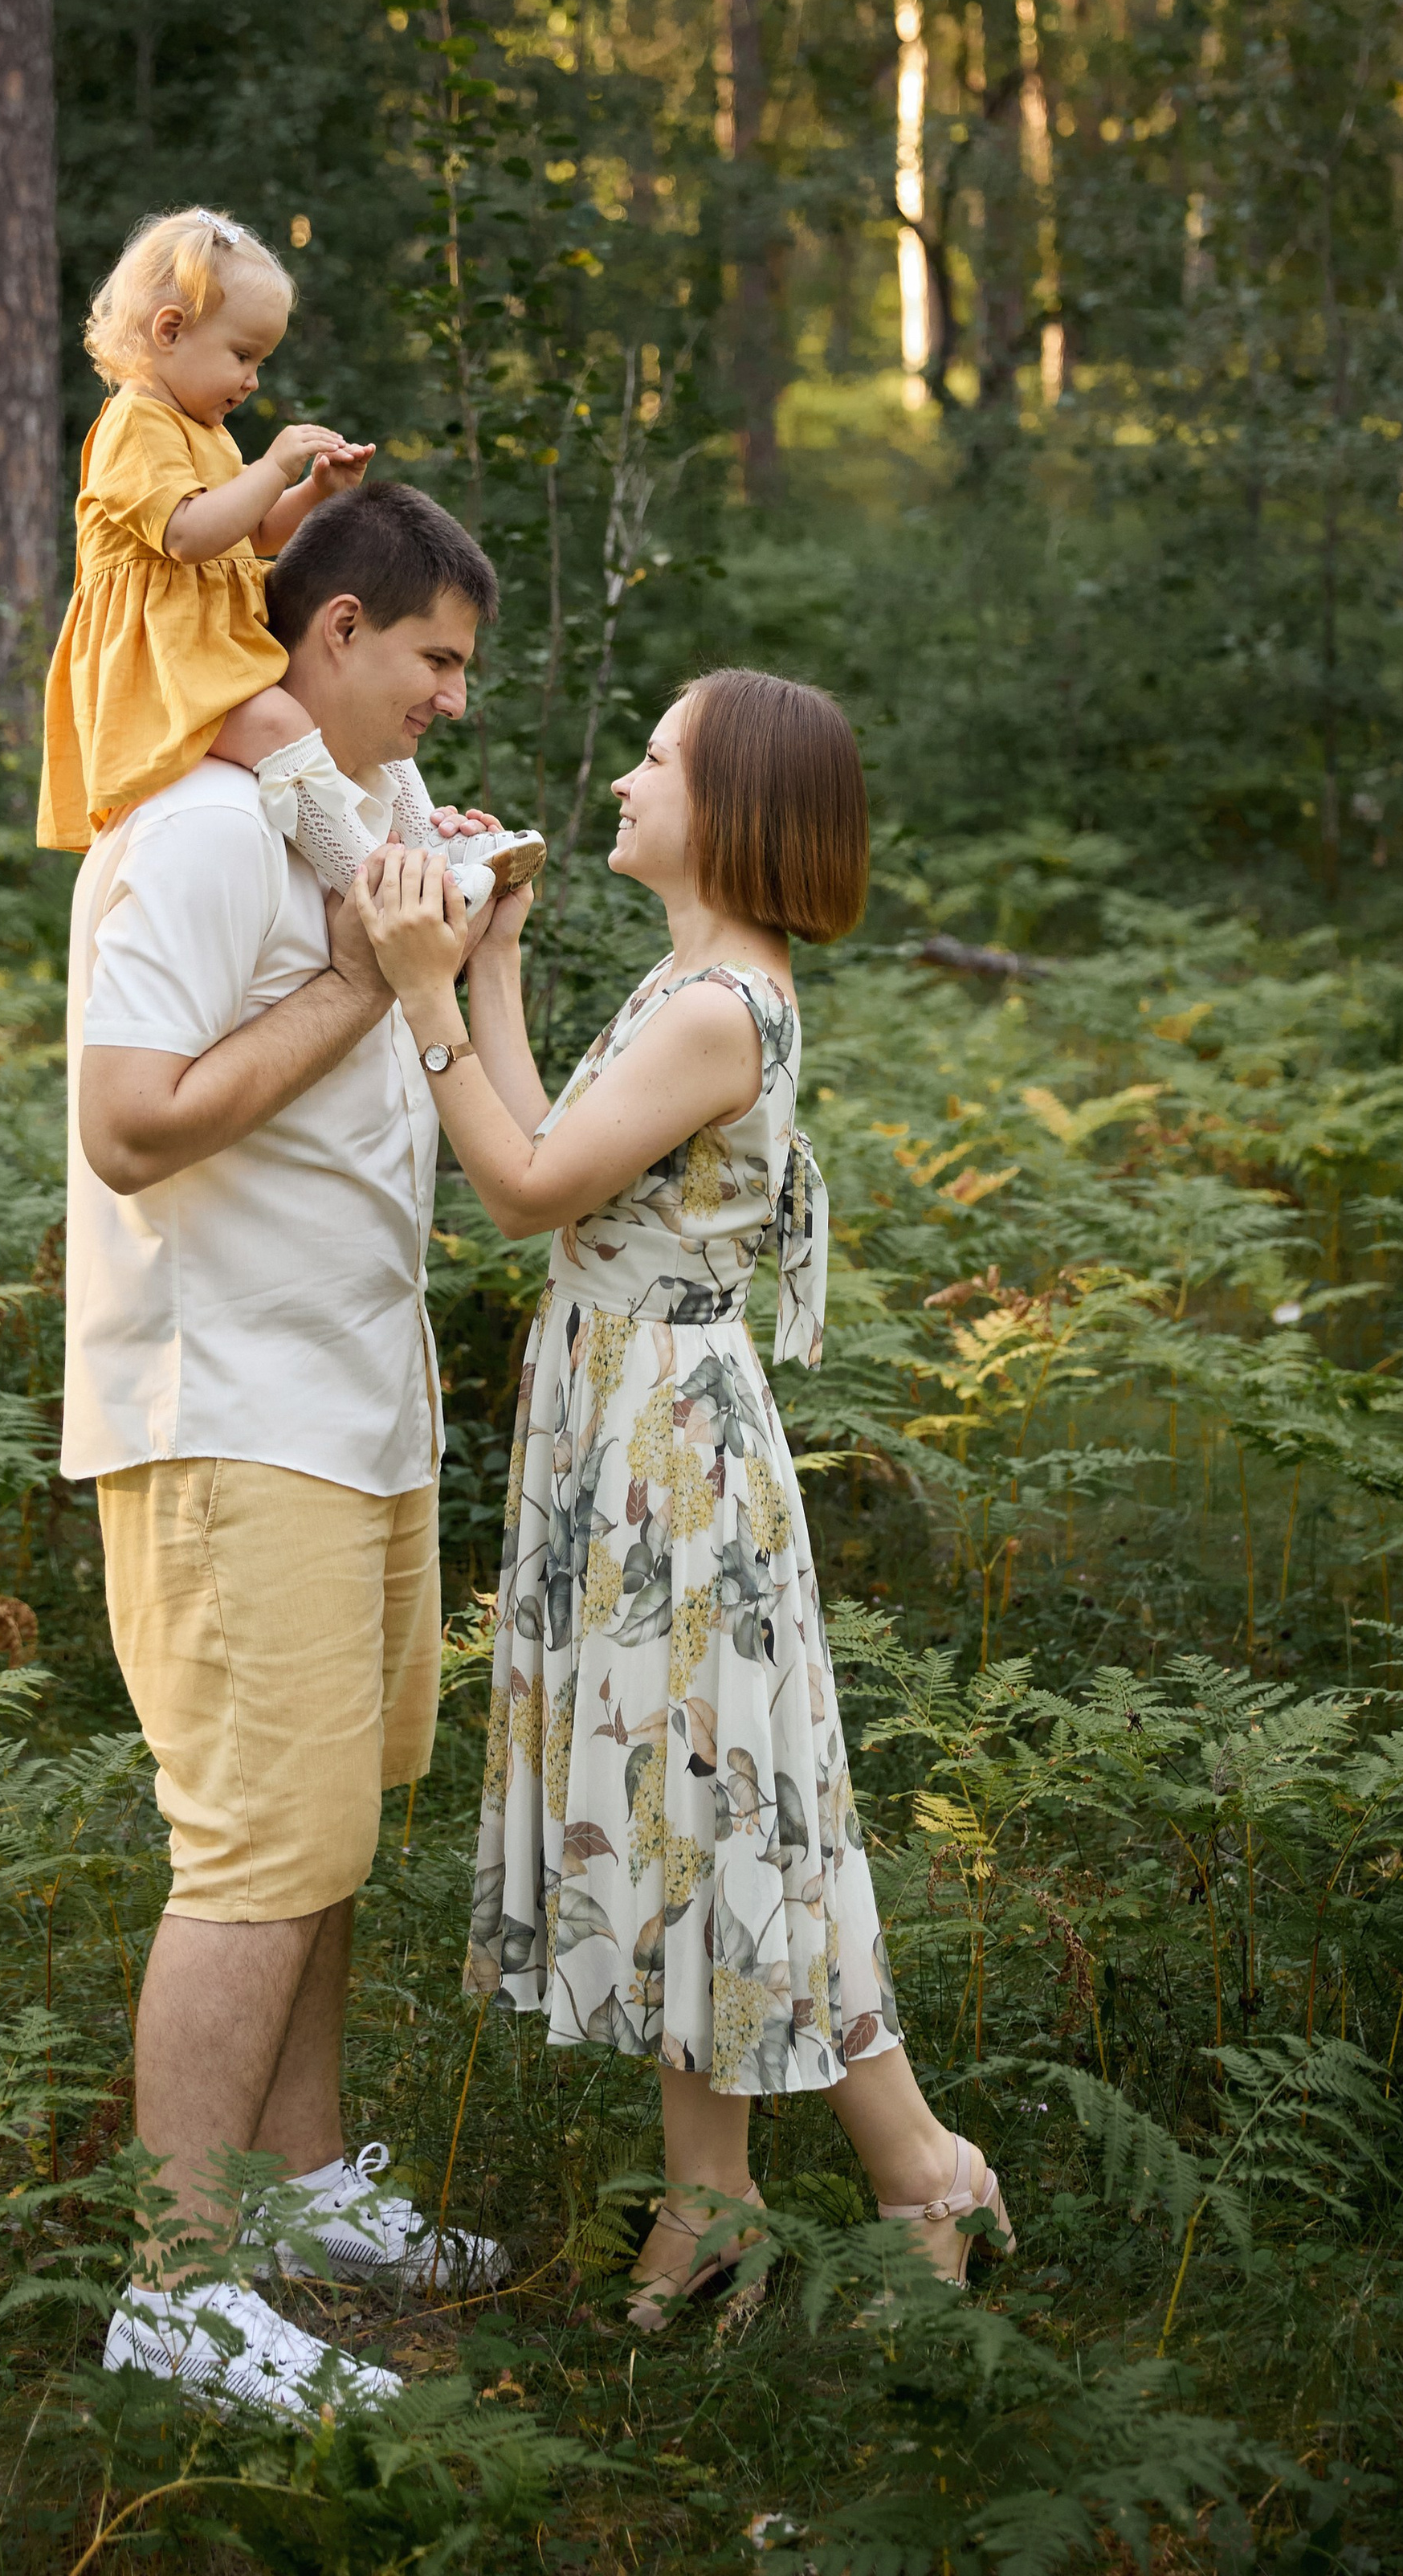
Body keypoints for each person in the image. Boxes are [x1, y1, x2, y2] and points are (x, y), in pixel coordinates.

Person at [354, 668, 1014, 2329]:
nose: (627, 781)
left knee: (725, 1809)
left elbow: (513, 1191)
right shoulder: (685, 979)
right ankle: (715, 2193)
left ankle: (918, 2164)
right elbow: (547, 1140)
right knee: (677, 1808)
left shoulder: (721, 1006)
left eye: (654, 758)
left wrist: (417, 982)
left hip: (665, 1456)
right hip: (616, 1423)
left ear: (726, 811)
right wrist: (490, 960)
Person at [65, 481, 512, 2419]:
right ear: (332, 637)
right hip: (221, 1402)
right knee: (254, 1846)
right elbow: (128, 1122)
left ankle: (309, 2181)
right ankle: (172, 2282)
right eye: (432, 660)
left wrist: (472, 913)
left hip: (360, 1397)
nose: (448, 702)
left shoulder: (375, 825)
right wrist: (355, 980)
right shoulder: (188, 838)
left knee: (333, 1818)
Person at [37, 204, 543, 911]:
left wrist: (313, 493)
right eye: (243, 356)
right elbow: (187, 534)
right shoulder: (135, 422)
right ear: (171, 330)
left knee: (369, 734)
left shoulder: (204, 428)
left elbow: (248, 534)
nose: (252, 381)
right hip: (166, 667)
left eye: (261, 362)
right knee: (282, 727)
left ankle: (428, 848)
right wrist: (274, 464)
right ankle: (380, 883)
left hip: (215, 647)